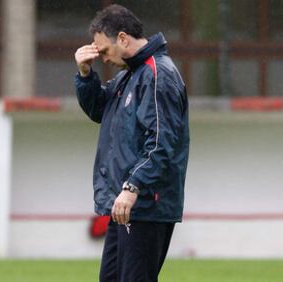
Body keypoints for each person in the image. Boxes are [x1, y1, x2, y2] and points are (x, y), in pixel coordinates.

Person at [74, 4, 189, 282]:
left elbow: (162, 142)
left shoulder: (157, 74)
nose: (103, 58)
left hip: (144, 203)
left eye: (104, 51)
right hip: (125, 205)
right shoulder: (130, 74)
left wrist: (133, 186)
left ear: (123, 38)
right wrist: (86, 75)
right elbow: (100, 110)